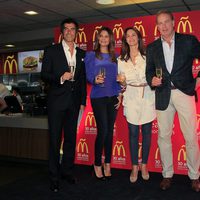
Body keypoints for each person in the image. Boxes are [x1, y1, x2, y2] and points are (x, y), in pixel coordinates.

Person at [146, 10, 200, 192]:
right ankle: (167, 174)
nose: (163, 26)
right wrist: (151, 80)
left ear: (173, 22)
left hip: (184, 92)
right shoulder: (152, 47)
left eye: (166, 22)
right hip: (162, 94)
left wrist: (198, 80)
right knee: (163, 137)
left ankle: (194, 176)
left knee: (191, 137)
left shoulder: (189, 41)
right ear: (157, 26)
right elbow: (149, 72)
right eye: (160, 23)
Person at [41, 18, 87, 192]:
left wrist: (82, 101)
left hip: (74, 103)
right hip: (56, 102)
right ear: (62, 32)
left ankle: (67, 172)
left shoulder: (81, 53)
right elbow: (44, 74)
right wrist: (61, 77)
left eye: (72, 29)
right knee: (54, 140)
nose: (69, 32)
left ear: (77, 32)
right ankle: (53, 177)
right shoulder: (51, 50)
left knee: (70, 139)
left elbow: (82, 79)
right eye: (66, 29)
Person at [117, 27, 156, 183]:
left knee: (147, 133)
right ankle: (134, 166)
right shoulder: (121, 60)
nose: (131, 38)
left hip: (147, 95)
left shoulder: (148, 56)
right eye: (128, 36)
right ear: (125, 40)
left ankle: (144, 165)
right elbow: (121, 84)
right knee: (133, 134)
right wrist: (122, 84)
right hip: (131, 97)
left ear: (139, 38)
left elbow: (153, 75)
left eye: (134, 35)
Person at [84, 27, 121, 180]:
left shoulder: (116, 56)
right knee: (103, 131)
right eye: (101, 36)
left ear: (110, 39)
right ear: (98, 39)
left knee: (109, 133)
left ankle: (108, 163)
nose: (104, 39)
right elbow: (88, 76)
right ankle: (97, 163)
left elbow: (119, 77)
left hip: (113, 96)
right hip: (98, 96)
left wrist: (120, 94)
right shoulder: (91, 55)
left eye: (107, 36)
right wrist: (94, 80)